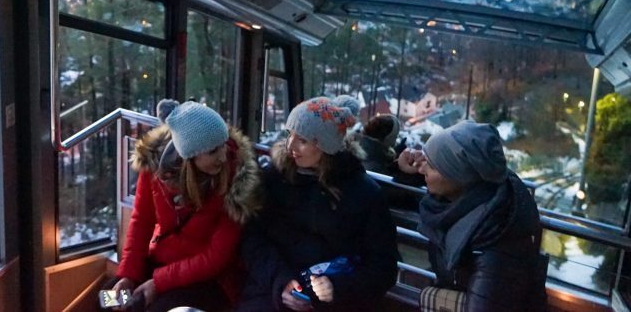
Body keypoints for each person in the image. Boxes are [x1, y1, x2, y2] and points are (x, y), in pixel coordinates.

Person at [238, 96, 399, 311]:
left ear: (326, 146)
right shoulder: (274, 179)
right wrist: (281, 281)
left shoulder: (364, 194)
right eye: (289, 134)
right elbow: (253, 240)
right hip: (271, 291)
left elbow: (383, 266)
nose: (290, 145)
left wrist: (338, 288)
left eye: (303, 140)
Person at [112, 99, 262, 311]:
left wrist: (159, 282)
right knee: (111, 299)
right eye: (212, 152)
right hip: (160, 263)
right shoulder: (155, 169)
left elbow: (216, 257)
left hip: (208, 279)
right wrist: (128, 274)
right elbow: (142, 221)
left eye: (223, 146)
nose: (223, 157)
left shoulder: (235, 182)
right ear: (188, 157)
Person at [397, 120, 547, 312]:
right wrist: (407, 171)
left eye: (432, 166)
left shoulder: (496, 247)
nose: (422, 169)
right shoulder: (483, 195)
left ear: (458, 177)